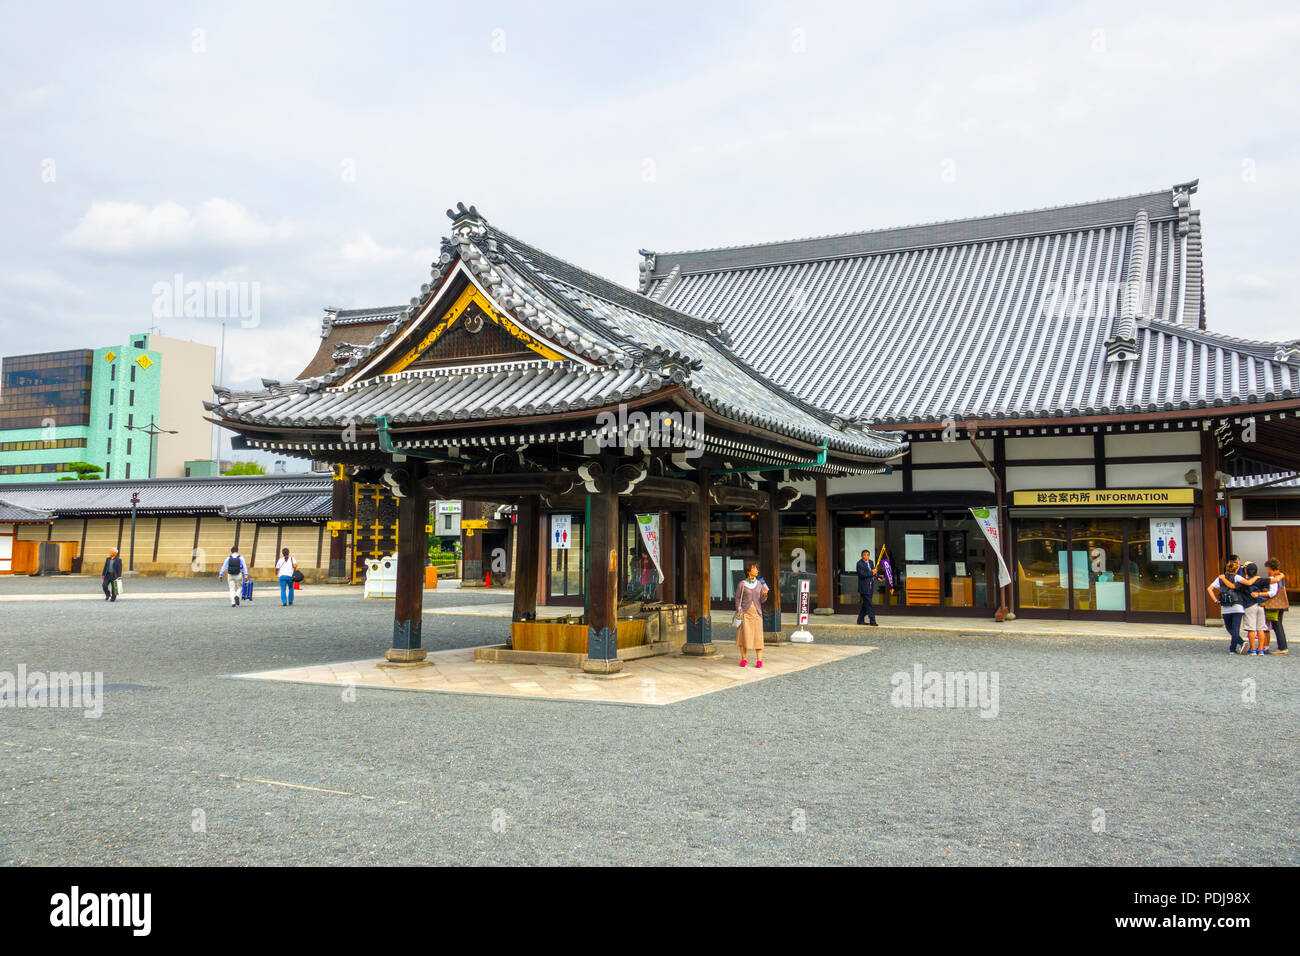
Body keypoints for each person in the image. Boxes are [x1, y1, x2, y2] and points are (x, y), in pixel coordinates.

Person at [1207, 555, 1244, 653]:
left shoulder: (1219, 578)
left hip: (1225, 606)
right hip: (1238, 606)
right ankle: (1237, 645)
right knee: (1235, 628)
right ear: (1236, 569)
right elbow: (1244, 585)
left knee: (1229, 628)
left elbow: (1209, 589)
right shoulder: (1237, 577)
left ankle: (1234, 647)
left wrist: (1215, 600)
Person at [1238, 562, 1277, 656]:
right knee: (1261, 628)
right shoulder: (1260, 580)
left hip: (1249, 606)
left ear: (1246, 571)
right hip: (1260, 605)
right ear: (1256, 571)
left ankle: (1252, 649)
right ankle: (1260, 649)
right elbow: (1274, 580)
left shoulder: (1244, 581)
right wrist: (1281, 575)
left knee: (1251, 629)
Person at [734, 562, 768, 668]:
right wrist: (739, 610)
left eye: (757, 568)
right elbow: (738, 598)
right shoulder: (742, 584)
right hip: (745, 613)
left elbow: (762, 600)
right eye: (754, 568)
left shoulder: (760, 584)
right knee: (744, 637)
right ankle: (744, 659)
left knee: (758, 636)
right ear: (749, 571)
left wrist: (765, 595)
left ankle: (759, 660)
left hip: (757, 613)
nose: (757, 570)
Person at [1264, 558, 1289, 654]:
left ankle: (1282, 648)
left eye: (1267, 568)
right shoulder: (1281, 575)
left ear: (1270, 567)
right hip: (1281, 603)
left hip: (1275, 604)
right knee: (1279, 625)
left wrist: (1261, 593)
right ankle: (1283, 646)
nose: (1267, 570)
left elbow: (1272, 593)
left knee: (1277, 625)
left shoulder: (1273, 578)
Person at [856, 548, 881, 626]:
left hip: (870, 586)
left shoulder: (871, 562)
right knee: (869, 604)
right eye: (864, 555)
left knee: (865, 604)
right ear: (862, 556)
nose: (866, 556)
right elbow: (863, 574)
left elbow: (873, 572)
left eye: (867, 555)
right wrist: (872, 572)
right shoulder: (859, 563)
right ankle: (872, 621)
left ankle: (860, 620)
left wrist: (877, 576)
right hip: (864, 587)